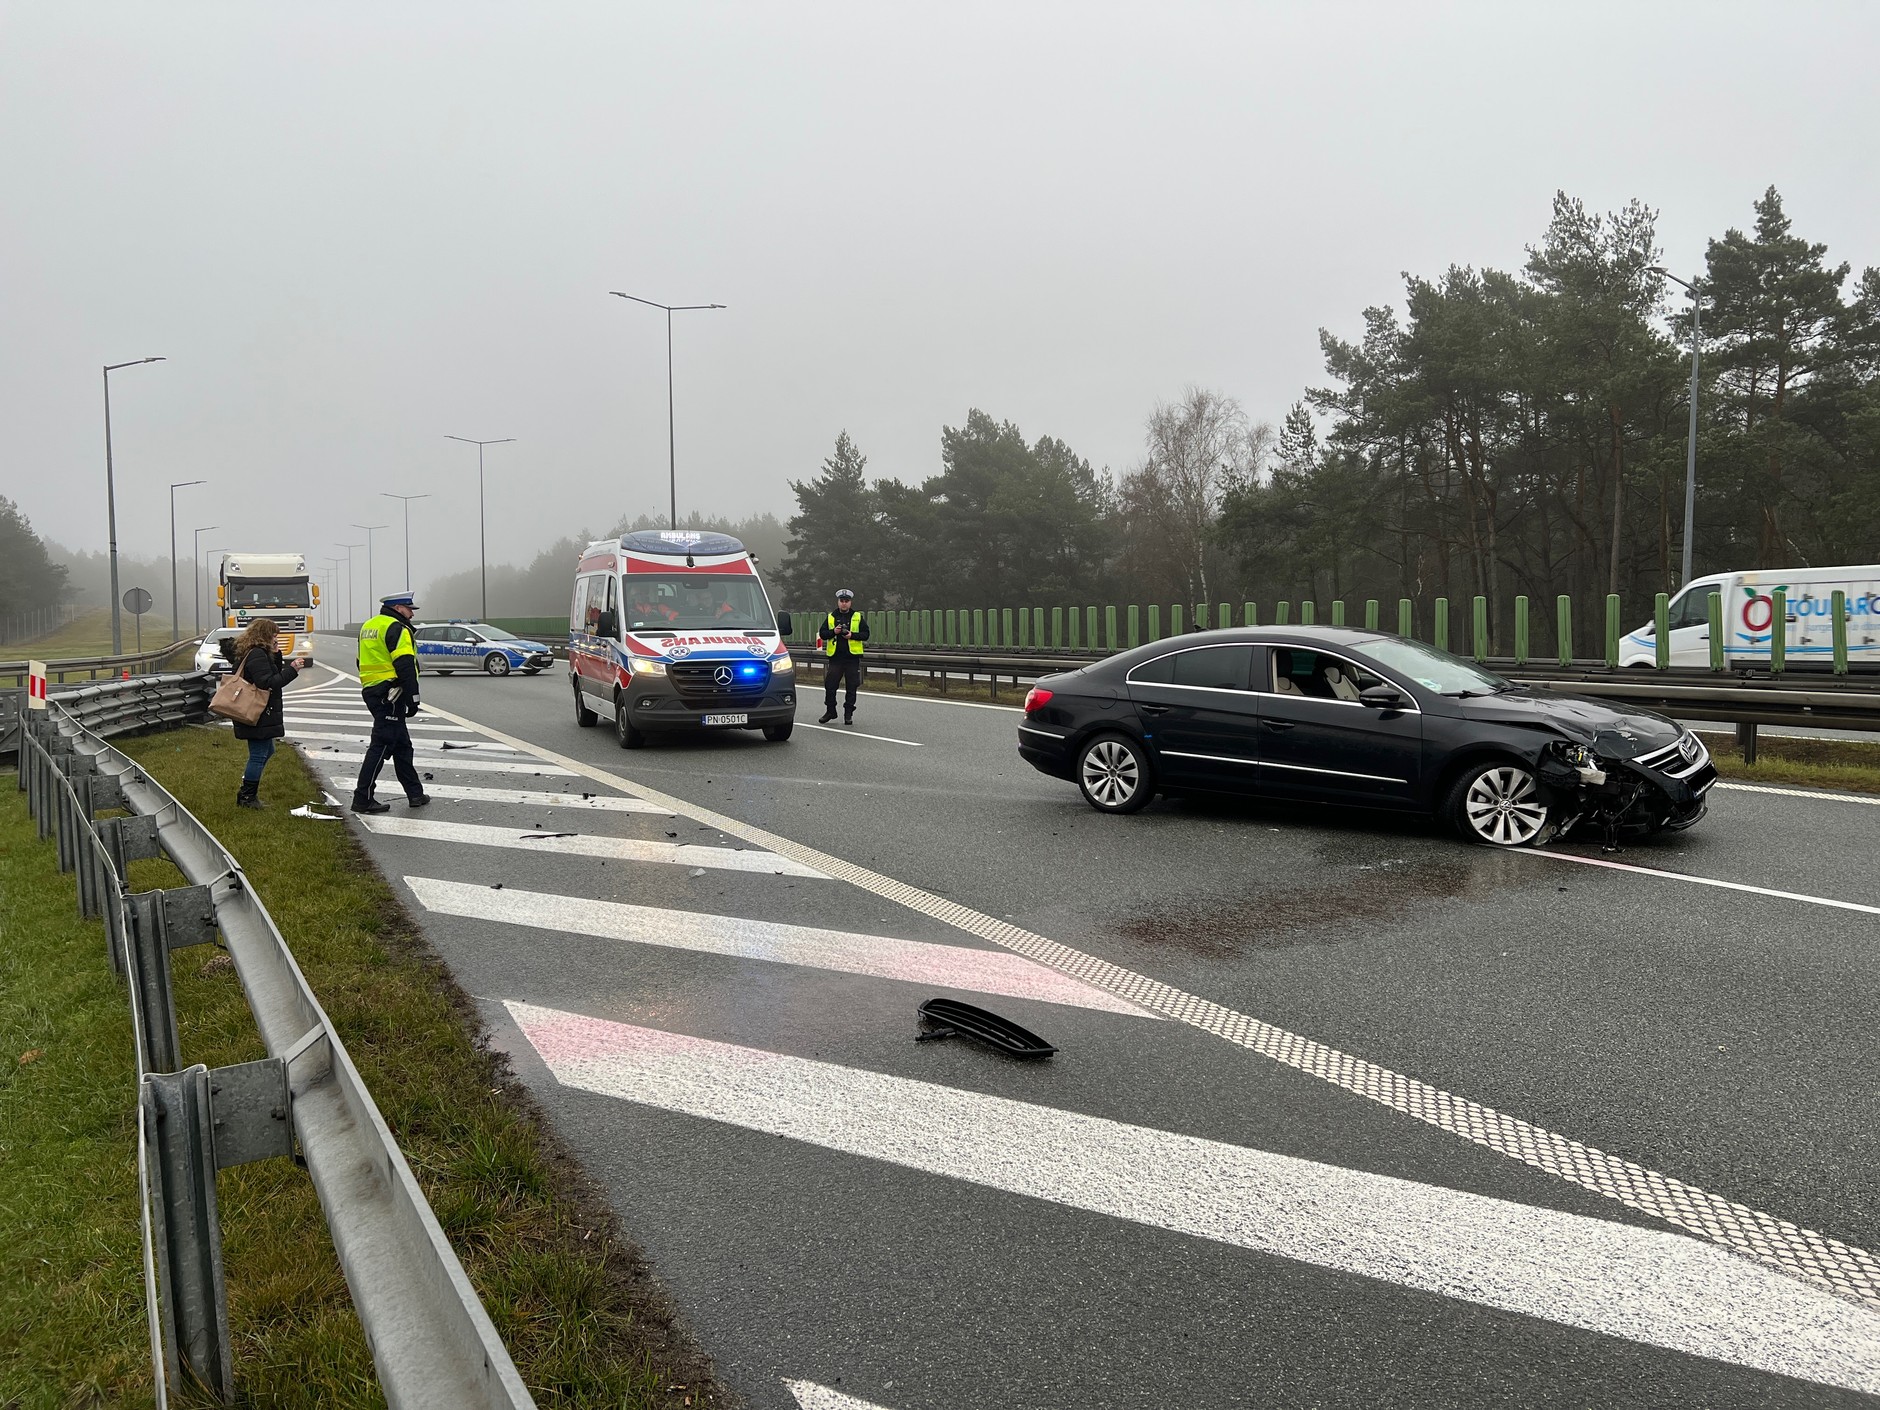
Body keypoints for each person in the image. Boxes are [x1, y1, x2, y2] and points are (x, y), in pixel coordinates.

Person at [351, 591, 430, 814]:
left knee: (402, 745)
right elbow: (405, 664)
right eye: (409, 609)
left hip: (373, 690)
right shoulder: (398, 628)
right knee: (381, 745)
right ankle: (362, 798)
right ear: (398, 608)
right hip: (392, 694)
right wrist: (413, 698)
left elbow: (359, 660)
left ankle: (415, 793)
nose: (412, 614)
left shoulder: (369, 626)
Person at [221, 618, 311, 809]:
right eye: (274, 635)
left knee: (267, 750)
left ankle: (246, 790)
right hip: (257, 712)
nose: (276, 638)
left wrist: (276, 655)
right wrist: (292, 670)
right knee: (259, 754)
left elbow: (270, 674)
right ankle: (247, 797)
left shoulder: (256, 652)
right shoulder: (257, 654)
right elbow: (268, 683)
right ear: (265, 635)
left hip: (259, 712)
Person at [815, 587, 869, 724]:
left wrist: (852, 635)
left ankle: (848, 713)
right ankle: (830, 711)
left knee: (852, 686)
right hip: (836, 658)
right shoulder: (831, 617)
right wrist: (834, 631)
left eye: (846, 601)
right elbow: (822, 634)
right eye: (842, 601)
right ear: (838, 602)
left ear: (850, 602)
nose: (844, 603)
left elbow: (866, 634)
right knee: (830, 685)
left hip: (852, 658)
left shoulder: (857, 617)